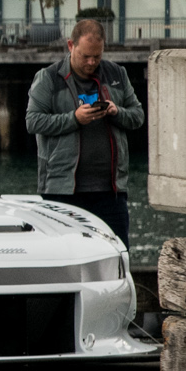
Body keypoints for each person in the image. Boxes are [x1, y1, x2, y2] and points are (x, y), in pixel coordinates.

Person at [26, 17, 143, 247]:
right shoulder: (48, 78)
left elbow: (138, 116)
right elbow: (33, 121)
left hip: (111, 192)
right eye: (85, 56)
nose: (91, 62)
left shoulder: (117, 74)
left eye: (97, 56)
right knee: (64, 255)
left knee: (117, 253)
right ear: (71, 45)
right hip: (62, 190)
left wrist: (116, 111)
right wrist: (74, 119)